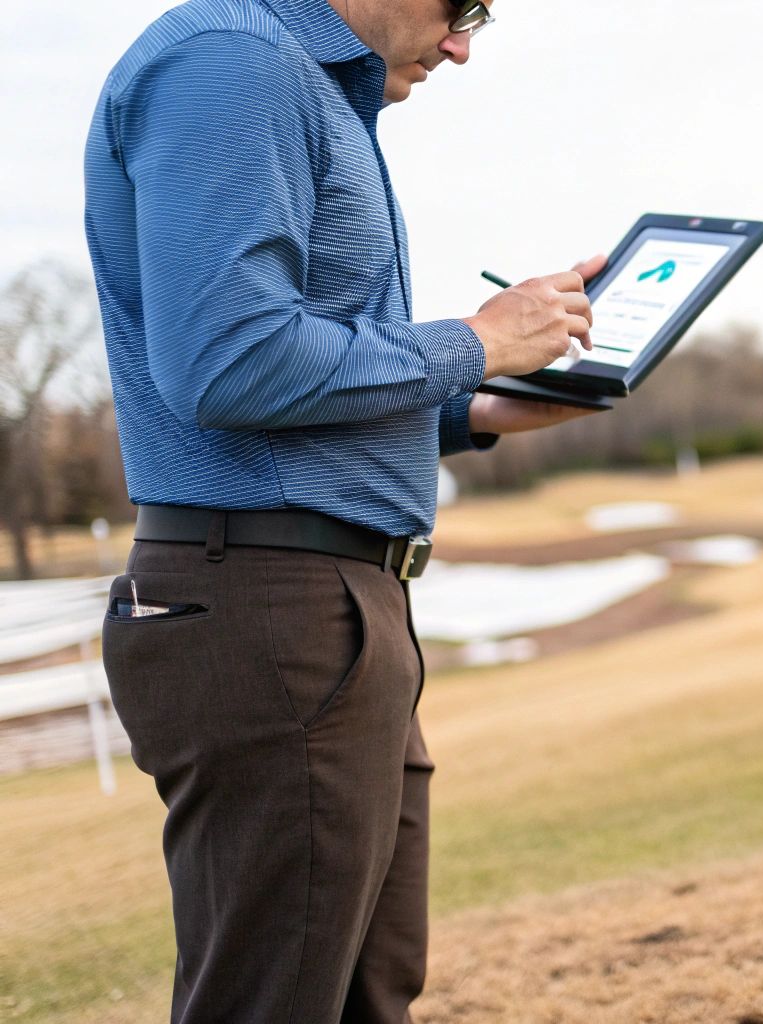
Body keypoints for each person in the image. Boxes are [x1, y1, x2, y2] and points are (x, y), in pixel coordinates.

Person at [83, 1, 590, 1019]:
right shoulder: (236, 65)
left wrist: (469, 407)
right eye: (462, 8)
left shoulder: (294, 80)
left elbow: (293, 380)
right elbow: (230, 361)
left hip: (325, 606)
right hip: (272, 607)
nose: (462, 45)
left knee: (366, 991)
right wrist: (474, 342)